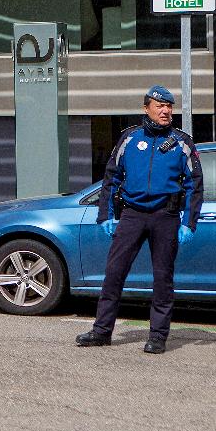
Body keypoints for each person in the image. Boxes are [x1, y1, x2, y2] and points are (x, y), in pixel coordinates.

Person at [76, 85, 201, 354]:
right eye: (160, 106)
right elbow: (111, 178)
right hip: (132, 215)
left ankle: (157, 336)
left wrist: (189, 222)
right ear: (146, 108)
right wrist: (106, 215)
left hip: (165, 217)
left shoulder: (182, 142)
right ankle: (101, 331)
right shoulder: (129, 139)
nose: (166, 111)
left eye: (169, 106)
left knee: (162, 278)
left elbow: (194, 185)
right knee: (114, 274)